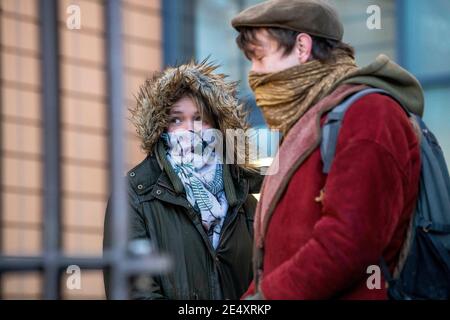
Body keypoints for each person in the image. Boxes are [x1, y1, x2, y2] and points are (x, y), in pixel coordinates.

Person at [231, 0, 423, 299]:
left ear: (302, 47)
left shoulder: (371, 113)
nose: (253, 74)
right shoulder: (309, 120)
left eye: (259, 57)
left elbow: (349, 242)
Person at [103, 60, 262, 300]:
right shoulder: (134, 194)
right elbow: (134, 292)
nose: (190, 130)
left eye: (200, 119)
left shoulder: (243, 199)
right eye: (177, 119)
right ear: (161, 129)